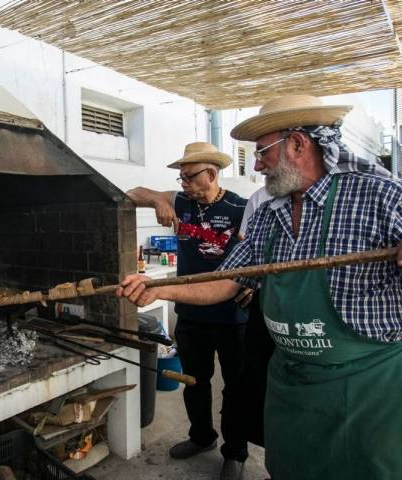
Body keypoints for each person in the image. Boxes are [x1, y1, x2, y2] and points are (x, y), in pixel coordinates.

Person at [118, 94, 402, 480]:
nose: (255, 164)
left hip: (365, 388)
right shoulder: (269, 215)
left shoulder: (379, 197)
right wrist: (158, 290)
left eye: (262, 151)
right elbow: (226, 281)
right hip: (290, 382)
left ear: (298, 144)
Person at [126, 141, 248, 480]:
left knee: (235, 388)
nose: (184, 184)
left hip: (232, 317)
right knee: (195, 382)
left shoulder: (241, 208)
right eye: (180, 179)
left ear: (211, 174)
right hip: (192, 315)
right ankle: (201, 437)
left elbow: (257, 256)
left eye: (189, 178)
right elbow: (131, 191)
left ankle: (235, 452)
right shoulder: (180, 201)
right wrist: (157, 199)